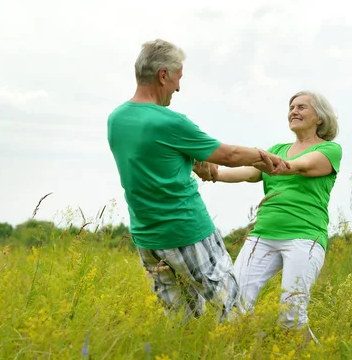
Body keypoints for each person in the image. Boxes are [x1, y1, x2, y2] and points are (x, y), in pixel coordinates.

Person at [106, 39, 291, 323]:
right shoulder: (169, 122)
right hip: (186, 231)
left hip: (147, 237)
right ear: (163, 75)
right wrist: (263, 156)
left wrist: (191, 158)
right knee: (232, 311)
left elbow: (153, 157)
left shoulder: (116, 119)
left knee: (182, 322)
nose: (178, 88)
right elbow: (228, 155)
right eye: (178, 78)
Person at [199, 91, 342, 342]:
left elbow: (298, 166)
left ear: (319, 117)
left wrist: (265, 160)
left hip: (304, 238)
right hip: (262, 236)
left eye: (302, 107)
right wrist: (214, 172)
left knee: (290, 317)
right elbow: (247, 172)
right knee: (234, 303)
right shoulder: (277, 149)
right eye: (291, 107)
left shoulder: (329, 150)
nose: (294, 111)